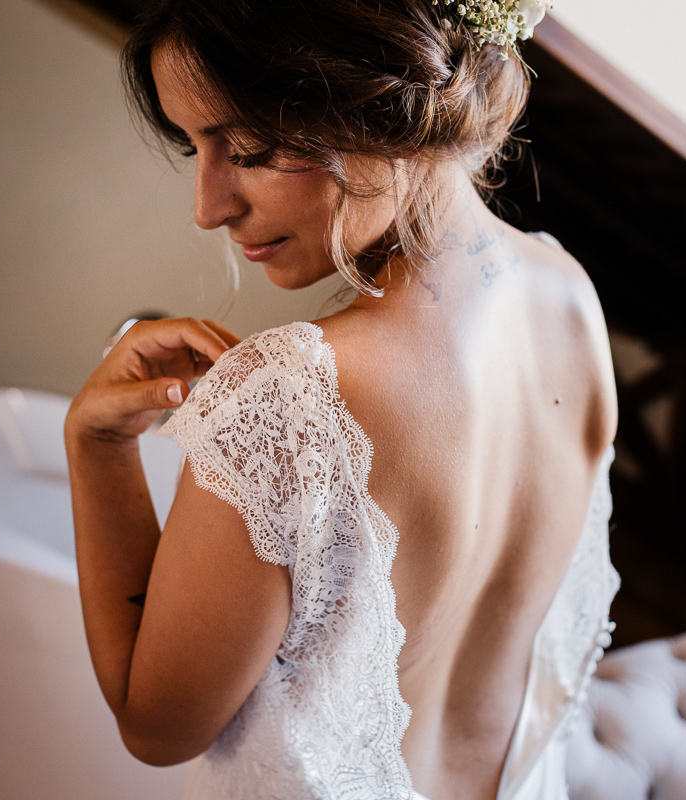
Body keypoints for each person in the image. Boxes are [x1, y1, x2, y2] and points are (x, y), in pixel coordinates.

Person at [64, 1, 620, 798]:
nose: (208, 208)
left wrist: (98, 445)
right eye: (193, 148)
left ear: (384, 100)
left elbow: (155, 728)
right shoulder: (570, 297)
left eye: (247, 149)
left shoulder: (290, 400)